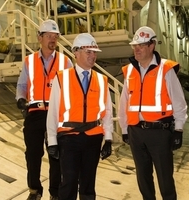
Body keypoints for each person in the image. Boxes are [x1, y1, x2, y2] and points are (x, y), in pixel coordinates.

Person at [118, 26, 188, 200]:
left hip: (159, 133)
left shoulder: (166, 69)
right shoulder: (130, 71)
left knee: (165, 179)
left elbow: (179, 102)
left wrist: (178, 129)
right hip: (136, 133)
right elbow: (124, 102)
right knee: (143, 178)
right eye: (135, 45)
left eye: (141, 45)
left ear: (152, 46)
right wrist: (125, 129)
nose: (137, 49)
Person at [46, 33, 113, 200]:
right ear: (76, 53)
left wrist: (109, 139)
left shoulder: (101, 80)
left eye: (94, 52)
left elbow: (107, 112)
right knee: (68, 182)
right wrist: (52, 141)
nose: (93, 56)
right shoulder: (62, 78)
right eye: (88, 52)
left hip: (93, 138)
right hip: (68, 138)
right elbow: (53, 112)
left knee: (88, 185)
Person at [16, 19, 73, 200]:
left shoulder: (65, 62)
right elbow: (22, 84)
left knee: (56, 155)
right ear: (39, 38)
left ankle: (54, 193)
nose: (53, 40)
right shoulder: (29, 61)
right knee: (33, 154)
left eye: (55, 37)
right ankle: (34, 190)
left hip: (56, 115)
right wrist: (20, 99)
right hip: (34, 114)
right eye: (49, 36)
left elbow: (72, 89)